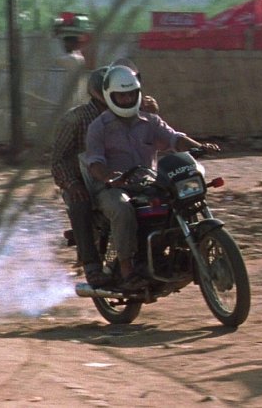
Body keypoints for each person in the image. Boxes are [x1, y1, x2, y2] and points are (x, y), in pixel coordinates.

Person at [84, 66, 219, 290]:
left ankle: (182, 251)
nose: (127, 99)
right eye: (121, 95)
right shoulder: (98, 127)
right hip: (113, 188)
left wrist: (200, 146)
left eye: (131, 94)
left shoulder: (150, 121)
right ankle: (127, 270)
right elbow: (95, 162)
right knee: (122, 209)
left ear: (138, 93)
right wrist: (110, 178)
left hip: (147, 183)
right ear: (110, 96)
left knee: (182, 197)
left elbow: (174, 139)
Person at [50, 67, 112, 288]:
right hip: (83, 181)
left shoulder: (129, 113)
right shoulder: (75, 119)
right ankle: (91, 265)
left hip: (118, 176)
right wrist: (72, 183)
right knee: (80, 204)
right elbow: (59, 159)